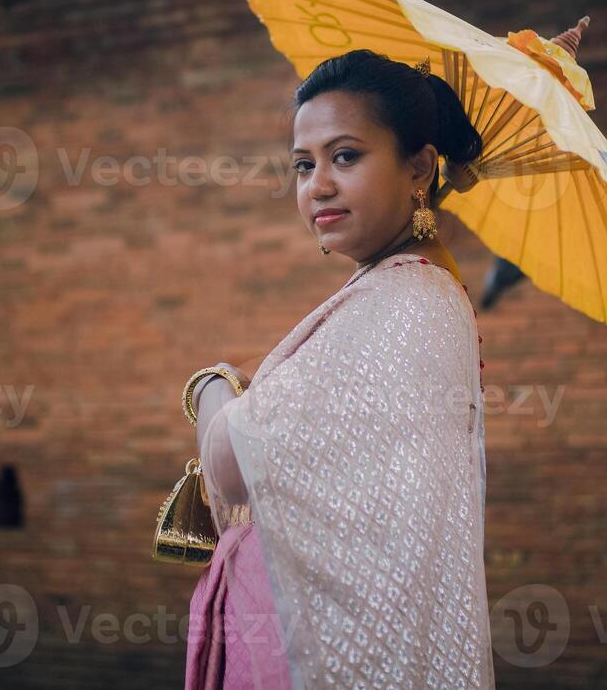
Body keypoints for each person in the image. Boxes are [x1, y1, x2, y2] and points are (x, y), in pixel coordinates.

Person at [183, 48, 497, 689]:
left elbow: (231, 464)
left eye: (345, 156)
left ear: (420, 167)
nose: (317, 185)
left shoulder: (406, 302)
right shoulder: (405, 291)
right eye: (304, 164)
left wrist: (213, 384)